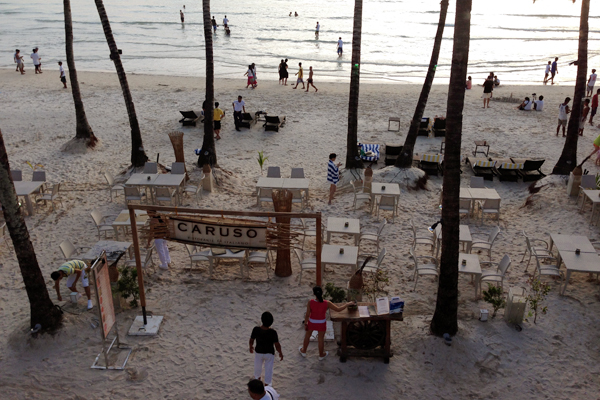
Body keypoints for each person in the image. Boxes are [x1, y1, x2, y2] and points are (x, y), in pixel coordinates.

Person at [299, 286, 354, 360]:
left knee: (307, 336)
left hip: (312, 322)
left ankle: (303, 351)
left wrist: (306, 323)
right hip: (321, 323)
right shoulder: (327, 303)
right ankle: (321, 355)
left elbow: (307, 314)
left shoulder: (310, 302)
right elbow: (338, 309)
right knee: (320, 339)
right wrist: (348, 304)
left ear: (314, 294)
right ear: (322, 293)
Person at [249, 312, 283, 387]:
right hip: (269, 354)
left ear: (262, 320)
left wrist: (251, 346)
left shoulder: (256, 329)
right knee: (268, 370)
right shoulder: (273, 332)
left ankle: (257, 381)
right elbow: (277, 345)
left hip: (258, 352)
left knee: (257, 368)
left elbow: (251, 340)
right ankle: (267, 384)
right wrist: (280, 353)